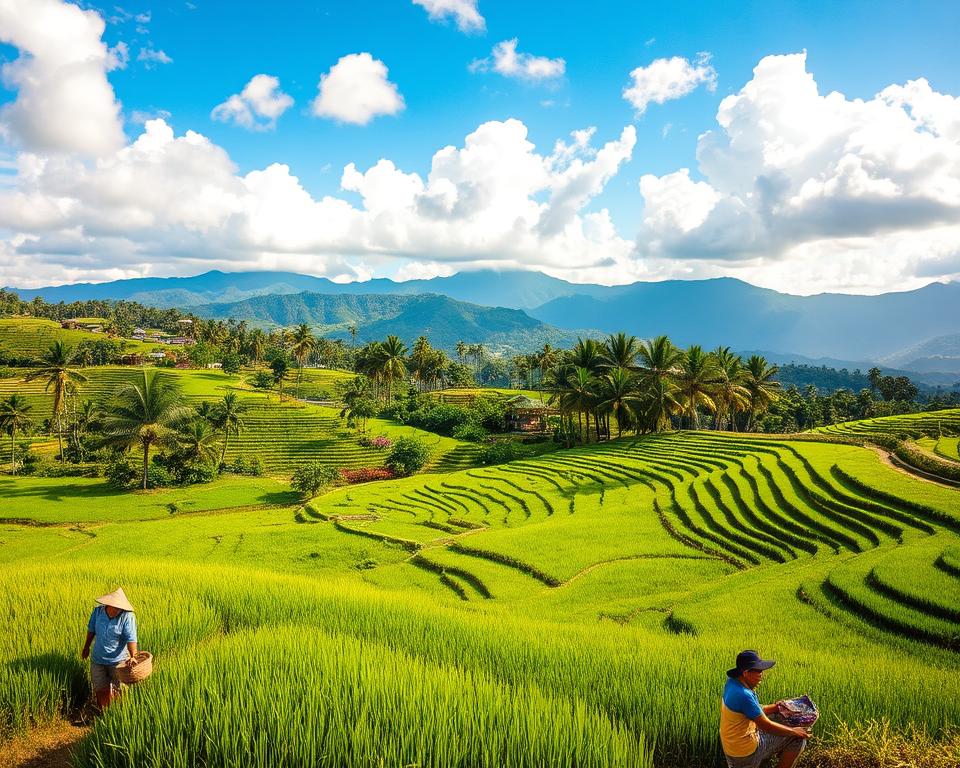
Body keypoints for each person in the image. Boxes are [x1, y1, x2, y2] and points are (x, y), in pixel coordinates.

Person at [720, 650, 810, 768]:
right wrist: (795, 731)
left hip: (732, 746)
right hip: (745, 753)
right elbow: (766, 726)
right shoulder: (744, 695)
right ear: (746, 673)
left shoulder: (732, 683)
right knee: (798, 738)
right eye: (759, 670)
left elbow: (753, 710)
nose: (762, 673)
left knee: (779, 716)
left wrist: (777, 707)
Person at [81, 587, 138, 711]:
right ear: (108, 604)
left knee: (119, 690)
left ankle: (117, 714)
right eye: (115, 607)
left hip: (118, 662)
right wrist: (86, 647)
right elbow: (91, 630)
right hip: (98, 660)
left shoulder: (127, 617)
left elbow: (131, 638)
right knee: (100, 689)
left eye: (120, 608)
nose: (118, 610)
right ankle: (105, 714)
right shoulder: (97, 612)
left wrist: (133, 655)